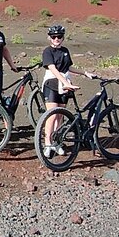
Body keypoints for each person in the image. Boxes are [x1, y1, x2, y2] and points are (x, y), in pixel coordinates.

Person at [41, 24, 96, 157]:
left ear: (63, 37)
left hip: (65, 85)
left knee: (60, 115)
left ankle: (56, 142)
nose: (56, 39)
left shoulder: (65, 51)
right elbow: (53, 69)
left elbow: (68, 67)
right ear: (49, 38)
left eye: (59, 36)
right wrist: (65, 82)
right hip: (51, 84)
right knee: (52, 115)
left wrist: (84, 73)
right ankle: (47, 143)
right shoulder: (47, 51)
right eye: (54, 37)